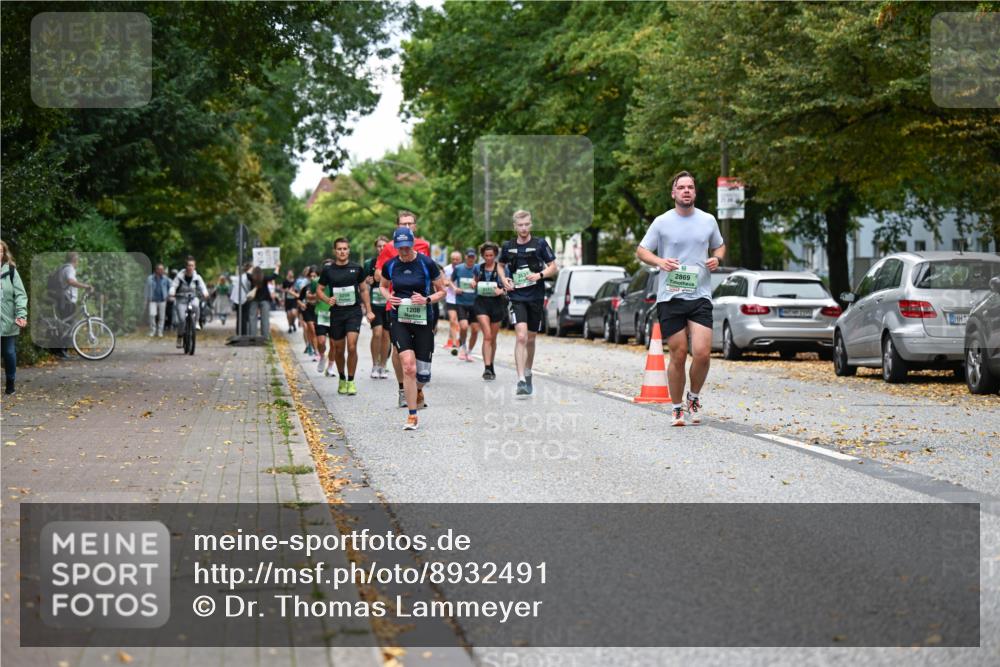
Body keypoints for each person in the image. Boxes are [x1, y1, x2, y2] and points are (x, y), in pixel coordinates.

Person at [635, 170, 725, 427]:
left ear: (695, 192)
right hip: (670, 297)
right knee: (678, 354)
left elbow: (719, 245)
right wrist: (660, 261)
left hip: (700, 295)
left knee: (702, 353)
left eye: (690, 187)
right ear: (673, 193)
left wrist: (717, 258)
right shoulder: (662, 222)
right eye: (682, 187)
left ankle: (693, 397)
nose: (687, 191)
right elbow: (641, 250)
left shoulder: (708, 220)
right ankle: (676, 408)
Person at [381, 227, 446, 430]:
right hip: (399, 318)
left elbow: (442, 291)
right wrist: (389, 297)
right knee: (408, 366)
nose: (404, 251)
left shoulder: (427, 263)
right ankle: (412, 415)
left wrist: (426, 299)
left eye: (407, 247)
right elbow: (383, 285)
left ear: (412, 244)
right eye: (400, 248)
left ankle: (418, 389)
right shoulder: (391, 265)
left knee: (423, 373)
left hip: (423, 319)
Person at [375, 211, 433, 408]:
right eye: (403, 224)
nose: (407, 227)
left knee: (421, 351)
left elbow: (429, 274)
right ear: (397, 226)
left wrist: (428, 299)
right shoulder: (389, 248)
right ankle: (402, 389)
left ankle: (417, 387)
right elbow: (379, 274)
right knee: (400, 350)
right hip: (396, 304)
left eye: (410, 224)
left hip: (421, 306)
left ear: (415, 226)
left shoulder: (424, 246)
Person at [499, 210, 558, 396]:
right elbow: (500, 265)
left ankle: (528, 371)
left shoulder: (540, 244)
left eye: (526, 224)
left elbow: (553, 267)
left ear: (530, 225)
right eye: (520, 225)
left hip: (536, 296)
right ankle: (521, 380)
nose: (524, 228)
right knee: (521, 336)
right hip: (517, 297)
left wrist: (539, 275)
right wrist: (504, 279)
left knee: (531, 338)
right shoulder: (508, 246)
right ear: (515, 226)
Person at [318, 238, 372, 395]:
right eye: (339, 249)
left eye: (345, 249)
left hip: (353, 312)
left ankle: (351, 380)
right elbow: (319, 290)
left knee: (352, 346)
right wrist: (327, 299)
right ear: (335, 251)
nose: (342, 251)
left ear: (349, 250)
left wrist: (369, 310)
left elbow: (363, 290)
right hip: (337, 313)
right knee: (339, 349)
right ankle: (342, 378)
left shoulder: (357, 268)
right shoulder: (328, 270)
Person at [471, 242, 507, 381]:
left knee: (493, 338)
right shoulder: (478, 268)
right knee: (487, 335)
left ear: (495, 255)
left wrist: (501, 290)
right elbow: (474, 281)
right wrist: (473, 283)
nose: (489, 258)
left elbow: (510, 285)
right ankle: (486, 367)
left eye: (491, 255)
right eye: (486, 255)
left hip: (497, 304)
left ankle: (491, 365)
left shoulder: (502, 269)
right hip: (481, 304)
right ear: (482, 256)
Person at [1, 240, 28, 395]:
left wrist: (21, 315)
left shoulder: (11, 271)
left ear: (4, 253)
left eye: (0, 251)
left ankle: (10, 382)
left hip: (8, 320)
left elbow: (20, 295)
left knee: (9, 353)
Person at [363, 236, 391, 379]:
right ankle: (375, 364)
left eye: (384, 246)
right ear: (376, 248)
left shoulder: (393, 261)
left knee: (386, 335)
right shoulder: (370, 263)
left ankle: (383, 366)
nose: (381, 248)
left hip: (389, 303)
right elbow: (362, 284)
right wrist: (367, 281)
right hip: (375, 303)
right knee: (377, 333)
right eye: (379, 246)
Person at [169, 257, 210, 348]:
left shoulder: (197, 277)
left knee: (196, 305)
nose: (190, 267)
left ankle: (196, 322)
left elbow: (202, 286)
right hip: (181, 299)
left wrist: (205, 293)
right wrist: (172, 292)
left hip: (192, 297)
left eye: (192, 265)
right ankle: (180, 337)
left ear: (194, 267)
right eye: (188, 265)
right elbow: (173, 286)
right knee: (182, 320)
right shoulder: (179, 277)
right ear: (186, 266)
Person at [451, 247, 481, 362]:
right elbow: (450, 281)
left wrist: (477, 282)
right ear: (465, 257)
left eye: (473, 257)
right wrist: (455, 288)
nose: (471, 259)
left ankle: (469, 351)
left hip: (475, 302)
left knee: (475, 329)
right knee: (463, 326)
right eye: (469, 257)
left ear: (475, 257)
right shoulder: (459, 268)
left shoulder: (479, 268)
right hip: (461, 302)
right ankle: (462, 346)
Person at [298, 266, 324, 365]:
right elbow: (299, 299)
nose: (312, 278)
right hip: (308, 310)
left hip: (319, 310)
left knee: (319, 333)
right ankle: (316, 352)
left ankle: (320, 351)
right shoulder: (306, 287)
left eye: (315, 276)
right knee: (312, 330)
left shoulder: (322, 287)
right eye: (311, 276)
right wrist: (302, 304)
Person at [248, 263, 281, 339]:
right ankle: (265, 337)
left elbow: (247, 273)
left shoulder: (251, 278)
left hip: (254, 300)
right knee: (265, 319)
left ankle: (252, 337)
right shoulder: (264, 278)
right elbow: (274, 276)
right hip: (265, 300)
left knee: (252, 318)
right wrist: (277, 266)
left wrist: (252, 266)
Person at [442, 251, 462, 354]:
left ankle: (457, 339)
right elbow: (444, 282)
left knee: (461, 322)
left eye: (457, 259)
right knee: (453, 320)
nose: (455, 261)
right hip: (450, 298)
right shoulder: (446, 269)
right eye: (453, 259)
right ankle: (454, 343)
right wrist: (448, 283)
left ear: (461, 260)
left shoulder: (464, 268)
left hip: (462, 298)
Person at [144, 263, 171, 337]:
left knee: (162, 317)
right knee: (152, 316)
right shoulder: (150, 278)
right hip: (153, 300)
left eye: (162, 269)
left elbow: (171, 286)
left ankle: (160, 331)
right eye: (160, 269)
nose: (162, 271)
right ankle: (152, 331)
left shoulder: (165, 278)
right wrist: (146, 299)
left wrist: (168, 295)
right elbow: (146, 289)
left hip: (162, 300)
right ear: (156, 270)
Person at [282, 269, 299, 333]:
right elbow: (282, 290)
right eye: (289, 273)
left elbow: (298, 290)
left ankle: (293, 323)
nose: (290, 274)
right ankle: (290, 327)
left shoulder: (296, 281)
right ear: (288, 274)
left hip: (294, 300)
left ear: (293, 274)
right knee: (289, 314)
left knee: (294, 313)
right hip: (287, 300)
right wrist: (286, 290)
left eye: (291, 273)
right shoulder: (285, 282)